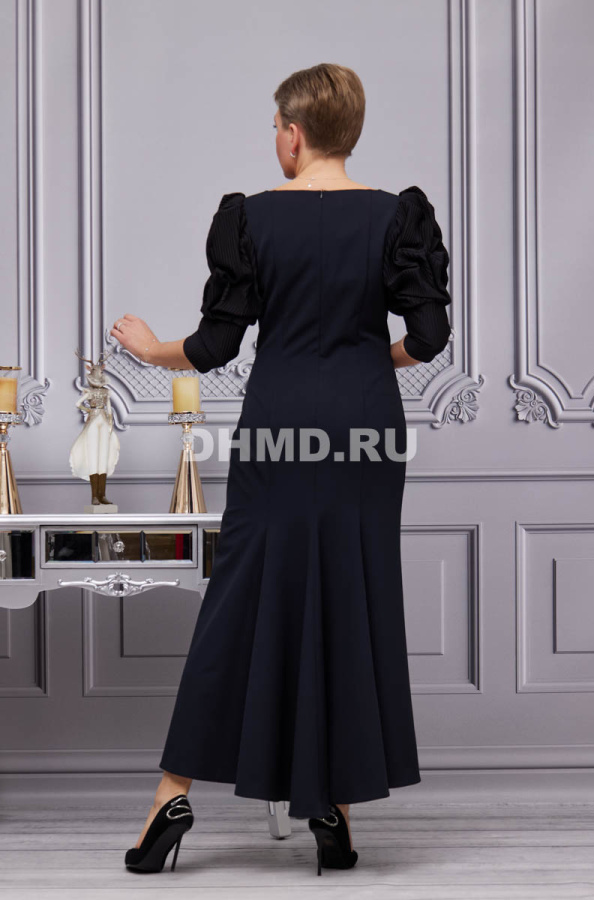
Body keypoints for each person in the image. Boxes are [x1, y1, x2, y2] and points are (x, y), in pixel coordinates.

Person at [110, 62, 452, 876]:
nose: (275, 139)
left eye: (275, 127)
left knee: (241, 600)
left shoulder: (252, 218)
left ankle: (171, 796)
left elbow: (215, 346)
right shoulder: (396, 216)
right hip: (367, 430)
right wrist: (372, 360)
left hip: (278, 428)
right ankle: (333, 807)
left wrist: (149, 349)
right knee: (349, 596)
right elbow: (430, 338)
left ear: (294, 135)